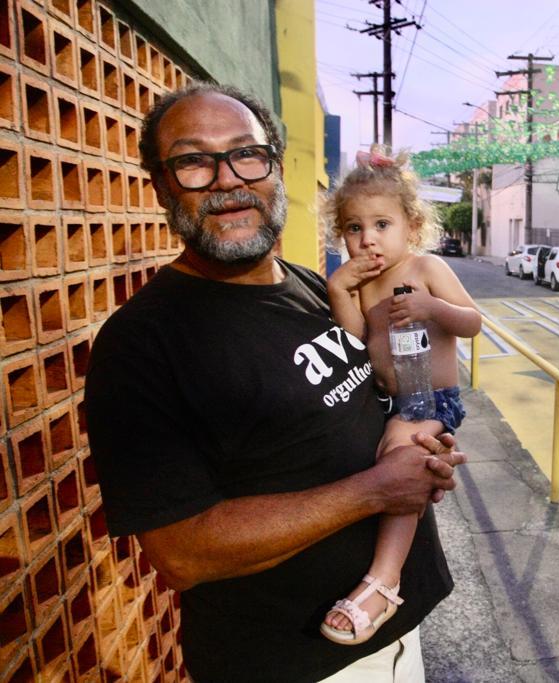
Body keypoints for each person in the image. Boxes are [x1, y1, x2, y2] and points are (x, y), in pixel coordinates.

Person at [84, 82, 464, 683]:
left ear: (276, 171)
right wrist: (379, 489)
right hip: (296, 663)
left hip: (396, 634)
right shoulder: (143, 344)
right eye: (192, 161)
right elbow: (180, 553)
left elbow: (376, 398)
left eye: (246, 154)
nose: (226, 179)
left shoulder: (314, 287)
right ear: (161, 186)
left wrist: (424, 449)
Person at [320, 150, 482, 645]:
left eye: (381, 224)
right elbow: (354, 343)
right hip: (385, 399)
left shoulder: (425, 266)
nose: (367, 238)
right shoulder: (364, 285)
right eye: (353, 227)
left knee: (400, 462)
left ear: (411, 227)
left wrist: (432, 305)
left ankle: (384, 581)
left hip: (430, 400)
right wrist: (341, 293)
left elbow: (473, 323)